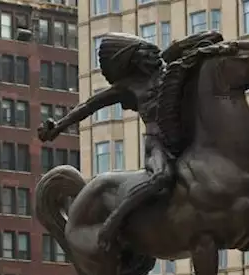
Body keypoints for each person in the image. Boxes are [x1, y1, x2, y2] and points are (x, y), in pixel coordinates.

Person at [38, 31, 226, 251]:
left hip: (186, 137)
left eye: (153, 51)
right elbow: (90, 105)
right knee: (160, 177)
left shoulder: (168, 62)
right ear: (136, 62)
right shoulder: (130, 87)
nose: (154, 56)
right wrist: (58, 127)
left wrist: (201, 43)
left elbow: (213, 36)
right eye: (146, 54)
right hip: (158, 144)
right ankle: (114, 221)